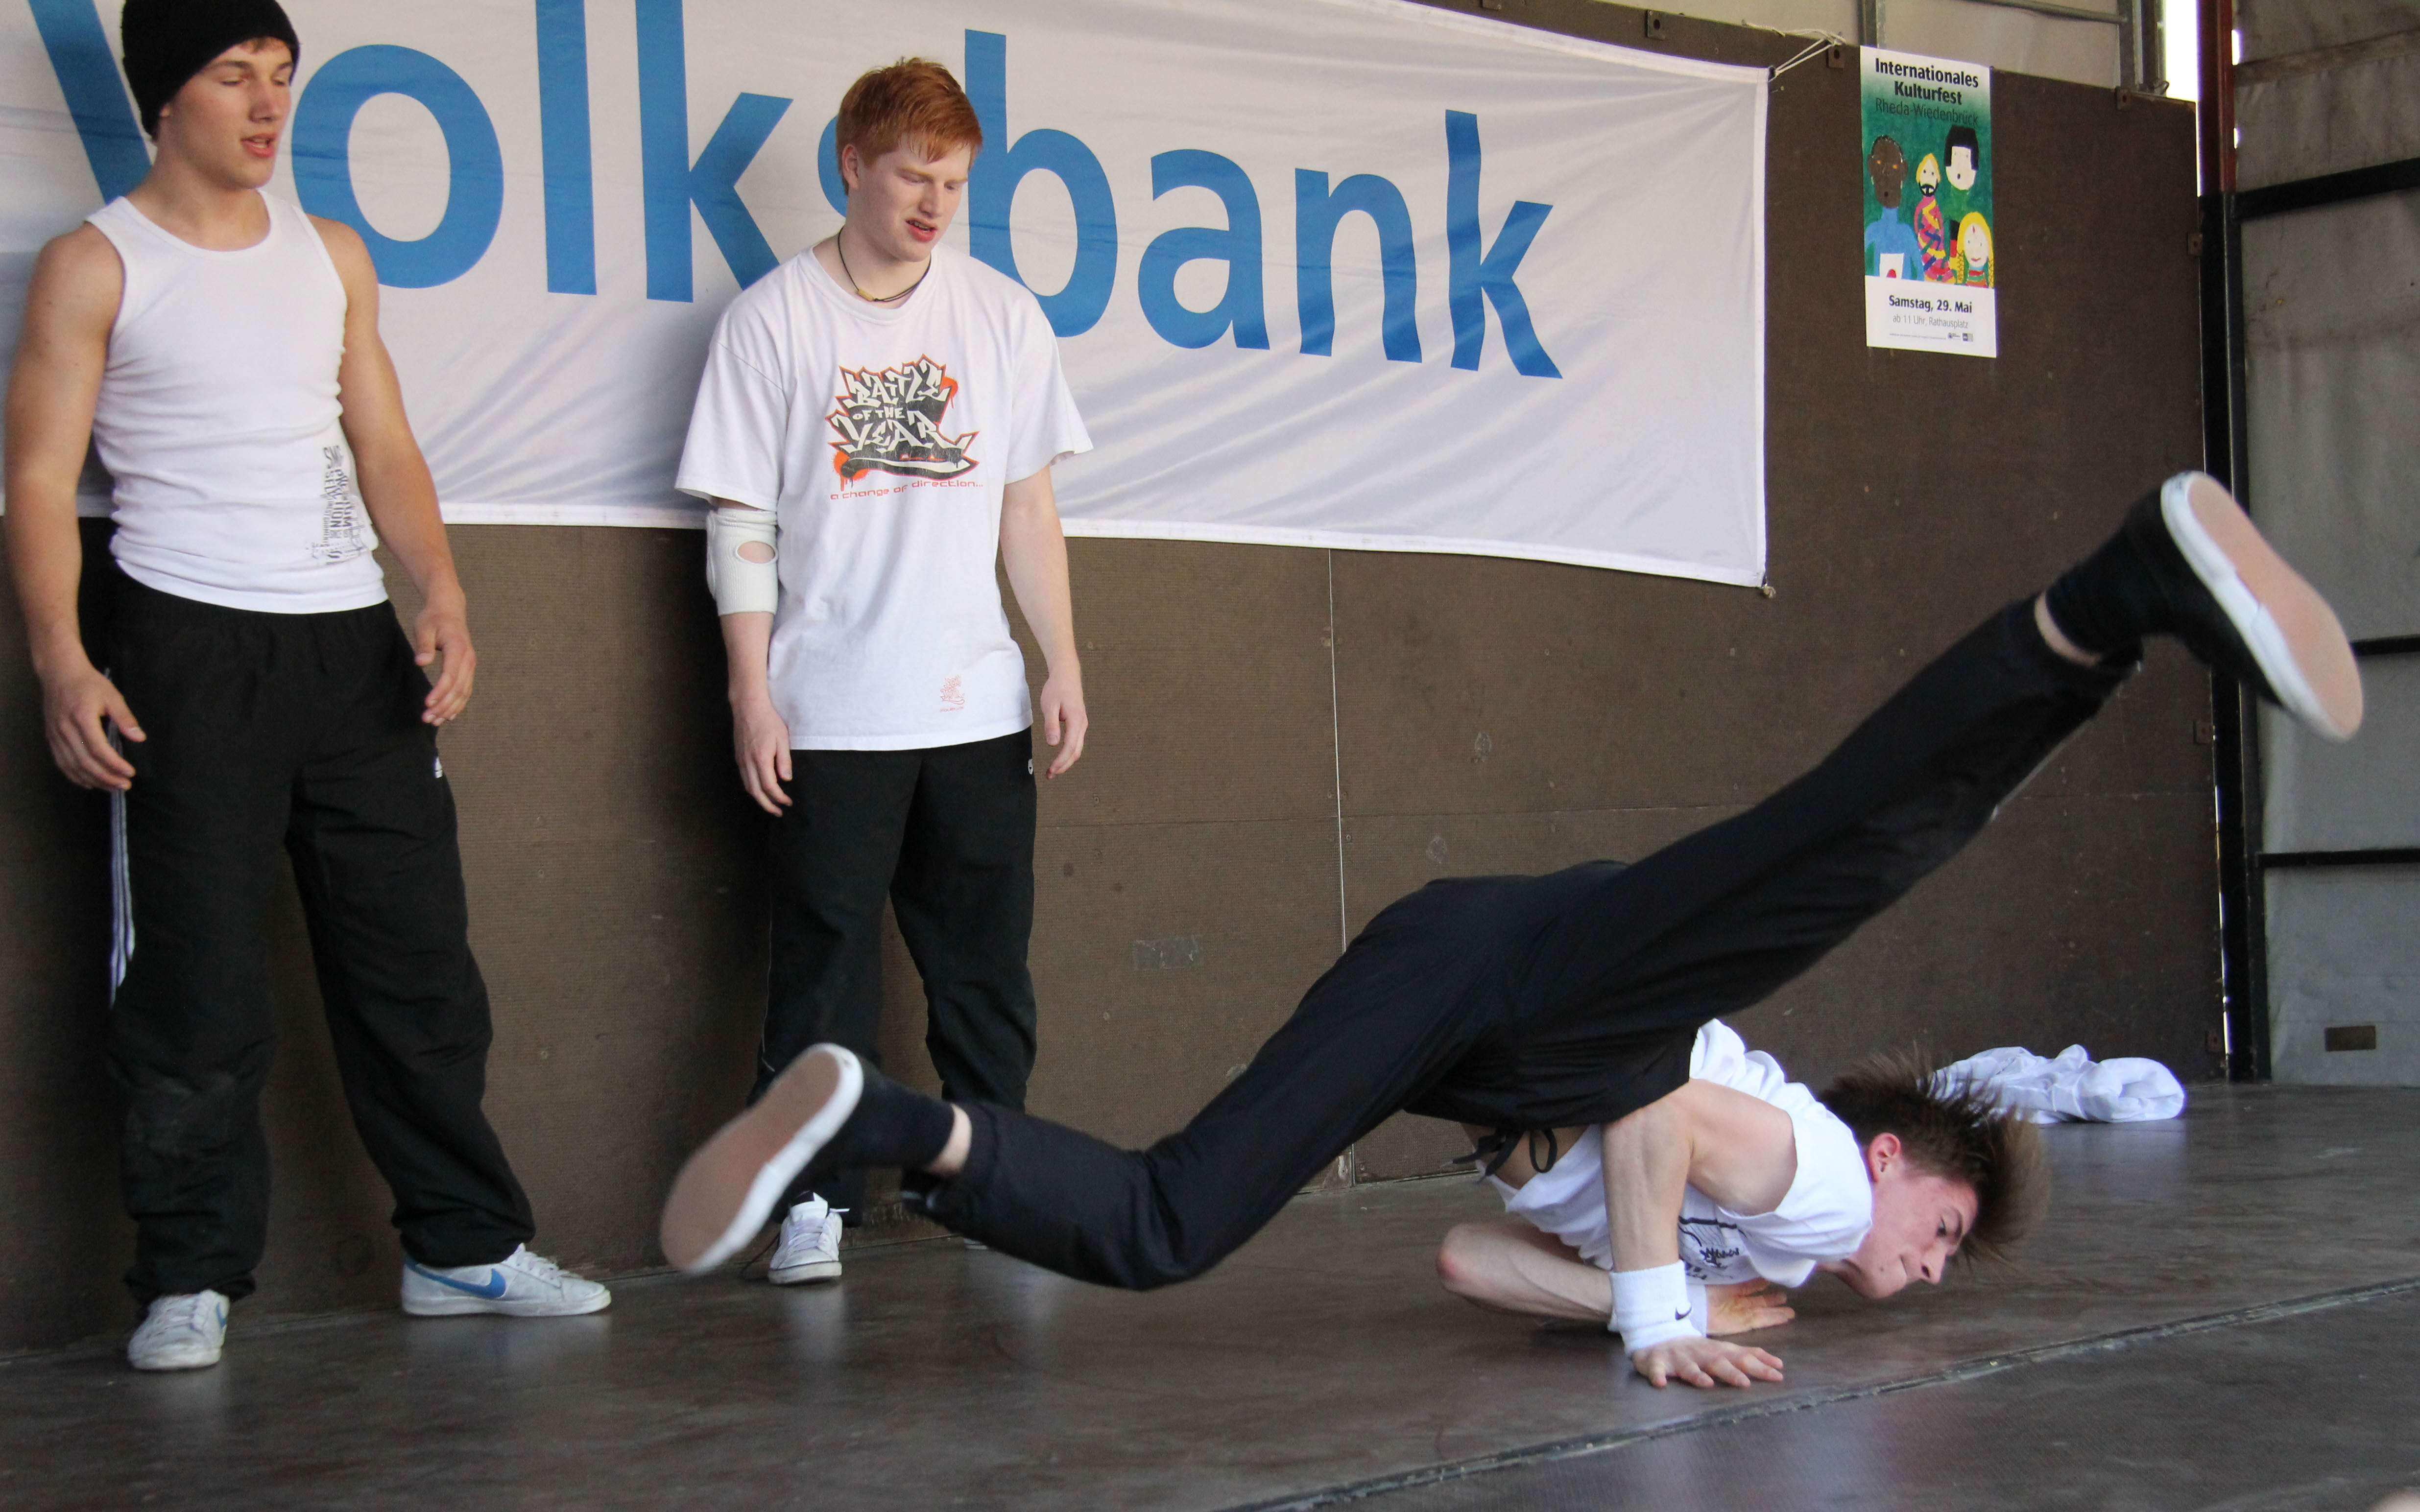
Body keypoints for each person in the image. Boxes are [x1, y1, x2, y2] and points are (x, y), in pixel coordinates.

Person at [660, 471, 2362, 1390]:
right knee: (1848, 848)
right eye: (1943, 1228)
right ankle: (2115, 595)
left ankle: (873, 1116)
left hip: (1466, 1013)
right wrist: (1651, 1310)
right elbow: (1655, 1109)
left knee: (1169, 1222)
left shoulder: (1773, 1269)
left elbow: (1470, 1262)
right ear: (1894, 1156)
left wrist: (1667, 1301)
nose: (1921, 1264)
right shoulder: (1823, 1185)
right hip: (1568, 1007)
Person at [3, 0, 607, 1373]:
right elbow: (37, 480)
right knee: (193, 985)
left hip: (350, 648)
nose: (268, 104)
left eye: (282, 75)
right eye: (235, 77)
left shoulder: (331, 253)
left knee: (418, 967)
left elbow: (381, 440)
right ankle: (186, 1274)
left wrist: (439, 588)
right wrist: (61, 658)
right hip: (184, 651)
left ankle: (460, 1247)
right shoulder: (95, 265)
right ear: (167, 97)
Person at [672, 58, 1091, 1286]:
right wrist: (751, 690)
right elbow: (740, 524)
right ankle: (811, 1202)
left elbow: (1028, 508)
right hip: (829, 708)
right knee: (822, 972)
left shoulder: (1002, 315)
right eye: (913, 175)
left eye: (952, 182)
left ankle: (999, 1190)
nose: (933, 202)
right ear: (851, 164)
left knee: (984, 975)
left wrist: (1061, 659)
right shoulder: (771, 321)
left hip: (974, 706)